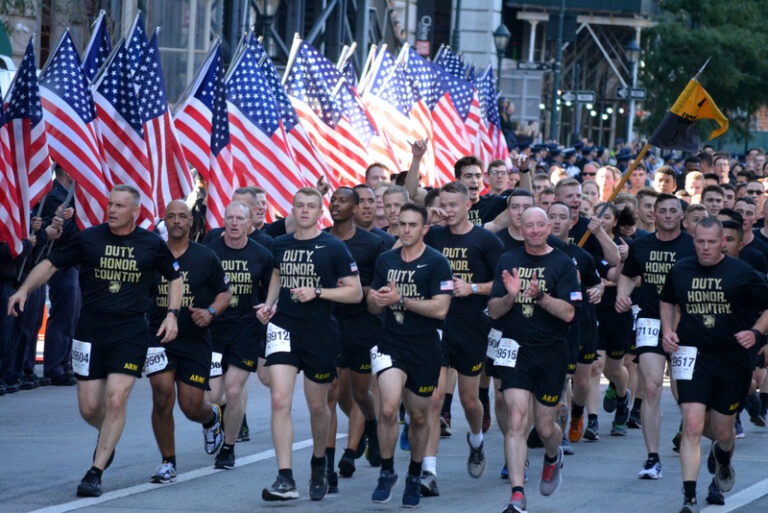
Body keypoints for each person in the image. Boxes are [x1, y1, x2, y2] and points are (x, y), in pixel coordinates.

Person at [7, 185, 183, 497]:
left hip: (130, 332)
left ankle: (95, 472)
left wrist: (171, 313)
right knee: (89, 407)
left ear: (134, 212)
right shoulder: (89, 238)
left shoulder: (151, 243)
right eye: (110, 204)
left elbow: (175, 277)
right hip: (89, 329)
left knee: (116, 399)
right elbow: (50, 265)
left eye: (119, 206)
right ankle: (108, 437)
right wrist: (24, 290)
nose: (112, 210)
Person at [257, 187, 362, 502]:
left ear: (320, 212)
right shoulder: (279, 244)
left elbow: (355, 292)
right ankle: (285, 477)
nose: (304, 211)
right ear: (292, 209)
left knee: (318, 405)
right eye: (299, 206)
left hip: (318, 331)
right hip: (283, 328)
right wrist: (269, 304)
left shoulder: (333, 247)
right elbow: (277, 273)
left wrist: (318, 292)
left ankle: (319, 461)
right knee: (279, 400)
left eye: (311, 206)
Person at [660, 217, 768, 513]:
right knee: (692, 424)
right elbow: (668, 300)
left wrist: (756, 332)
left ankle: (723, 456)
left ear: (723, 242)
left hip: (731, 358)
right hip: (693, 355)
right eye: (699, 241)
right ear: (693, 240)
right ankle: (689, 497)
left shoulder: (742, 273)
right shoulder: (680, 270)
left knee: (722, 431)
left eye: (711, 242)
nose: (705, 247)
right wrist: (667, 329)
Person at [488, 207, 581, 513]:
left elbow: (569, 313)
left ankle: (553, 457)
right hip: (515, 349)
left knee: (544, 428)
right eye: (530, 225)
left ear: (549, 226)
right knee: (516, 420)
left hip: (551, 352)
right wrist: (512, 295)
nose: (536, 230)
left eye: (541, 225)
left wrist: (540, 296)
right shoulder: (508, 260)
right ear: (521, 227)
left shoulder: (562, 262)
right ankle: (517, 494)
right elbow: (495, 311)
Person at [420, 182, 505, 495]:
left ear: (469, 204)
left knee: (470, 401)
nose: (448, 210)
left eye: (454, 205)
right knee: (434, 398)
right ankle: (429, 470)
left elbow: (503, 284)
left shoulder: (485, 240)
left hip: (471, 326)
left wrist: (472, 288)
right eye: (444, 205)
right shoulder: (433, 236)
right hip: (436, 324)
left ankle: (476, 439)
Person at [367, 203, 452, 507]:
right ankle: (387, 471)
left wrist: (401, 299)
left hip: (424, 347)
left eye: (412, 225)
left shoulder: (437, 263)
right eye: (401, 224)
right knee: (388, 410)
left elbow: (440, 308)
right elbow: (373, 304)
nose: (405, 230)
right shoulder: (386, 260)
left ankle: (415, 473)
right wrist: (376, 299)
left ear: (424, 229)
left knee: (418, 416)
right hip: (391, 343)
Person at [146, 200, 232, 483]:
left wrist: (209, 313)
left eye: (182, 216)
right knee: (161, 397)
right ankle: (167, 462)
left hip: (195, 338)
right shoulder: (151, 254)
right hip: (159, 337)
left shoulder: (205, 256)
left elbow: (224, 294)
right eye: (171, 216)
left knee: (191, 405)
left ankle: (211, 419)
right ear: (165, 222)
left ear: (191, 222)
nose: (177, 221)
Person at [616, 193, 696, 480]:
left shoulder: (691, 245)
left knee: (683, 394)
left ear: (681, 216)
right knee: (651, 388)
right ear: (653, 215)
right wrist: (622, 296)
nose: (668, 215)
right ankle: (652, 457)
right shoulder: (642, 245)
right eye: (662, 210)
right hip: (650, 320)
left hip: (686, 322)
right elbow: (628, 274)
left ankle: (692, 438)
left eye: (673, 210)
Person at [323, 187, 387, 486]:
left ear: (356, 207)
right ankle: (332, 465)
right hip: (328, 324)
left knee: (361, 394)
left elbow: (377, 289)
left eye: (343, 201)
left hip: (363, 326)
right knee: (333, 394)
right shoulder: (321, 239)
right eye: (333, 200)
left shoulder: (373, 244)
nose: (336, 205)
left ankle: (371, 426)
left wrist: (353, 287)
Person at [206, 202, 273, 469]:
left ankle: (229, 448)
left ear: (249, 223)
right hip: (213, 329)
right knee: (213, 396)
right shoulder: (209, 252)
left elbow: (271, 290)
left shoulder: (261, 254)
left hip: (246, 329)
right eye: (230, 218)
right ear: (223, 221)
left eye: (239, 218)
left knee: (233, 390)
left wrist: (268, 308)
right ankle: (213, 424)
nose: (234, 223)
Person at [41, 166, 79, 386]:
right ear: (66, 170)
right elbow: (62, 233)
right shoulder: (56, 195)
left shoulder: (66, 195)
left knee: (71, 316)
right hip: (61, 263)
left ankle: (63, 362)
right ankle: (54, 366)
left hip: (71, 263)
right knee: (63, 315)